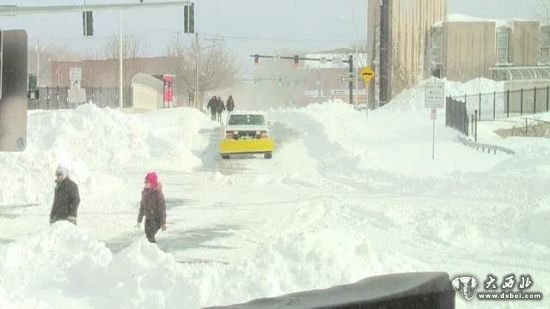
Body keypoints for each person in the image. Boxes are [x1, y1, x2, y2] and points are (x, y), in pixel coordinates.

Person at [136, 172, 167, 243]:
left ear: (152, 182)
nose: (145, 183)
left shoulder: (158, 193)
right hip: (148, 219)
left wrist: (163, 222)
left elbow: (163, 208)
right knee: (148, 237)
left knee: (150, 236)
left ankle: (154, 252)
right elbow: (142, 207)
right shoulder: (144, 193)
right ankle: (151, 252)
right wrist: (139, 220)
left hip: (156, 219)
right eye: (145, 181)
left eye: (147, 181)